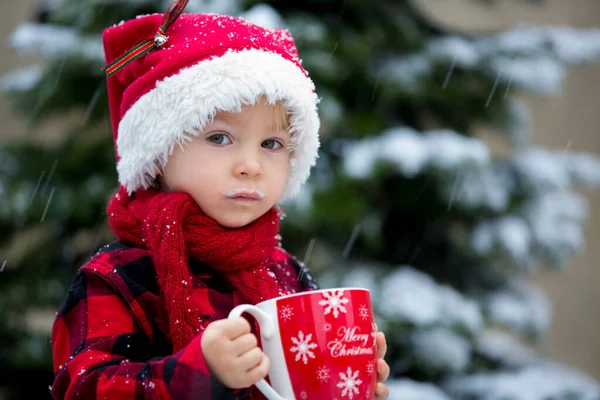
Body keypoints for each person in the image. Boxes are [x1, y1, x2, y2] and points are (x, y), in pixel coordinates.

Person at [50, 1, 390, 399]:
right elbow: (82, 388)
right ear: (158, 150)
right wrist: (196, 372)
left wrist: (342, 380)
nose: (251, 165)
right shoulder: (117, 278)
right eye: (219, 138)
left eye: (272, 143)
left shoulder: (286, 275)